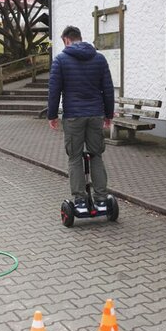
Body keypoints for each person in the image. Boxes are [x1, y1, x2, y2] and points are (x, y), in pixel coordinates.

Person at [47, 25, 115, 214]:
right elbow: (107, 89)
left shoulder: (61, 60)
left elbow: (54, 91)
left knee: (75, 157)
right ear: (80, 37)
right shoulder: (99, 59)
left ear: (66, 40)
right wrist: (108, 114)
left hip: (73, 116)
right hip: (95, 115)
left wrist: (52, 115)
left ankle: (80, 202)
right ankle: (101, 200)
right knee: (96, 155)